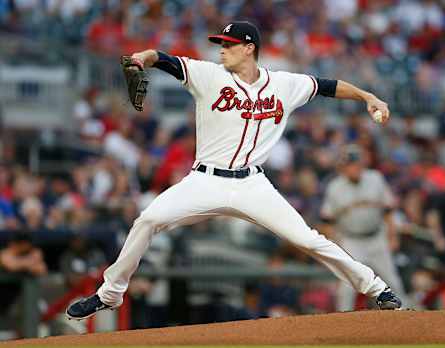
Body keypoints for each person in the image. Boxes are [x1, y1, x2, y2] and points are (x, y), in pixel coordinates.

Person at [67, 21, 401, 320]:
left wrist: (366, 96)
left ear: (249, 48)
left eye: (228, 44)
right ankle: (109, 294)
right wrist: (143, 57)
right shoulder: (208, 75)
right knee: (148, 220)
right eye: (221, 44)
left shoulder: (284, 84)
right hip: (204, 180)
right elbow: (163, 58)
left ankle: (377, 290)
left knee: (308, 239)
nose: (222, 50)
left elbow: (327, 85)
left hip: (252, 184)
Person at [320, 144, 407, 311]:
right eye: (350, 164)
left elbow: (388, 210)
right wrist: (336, 245)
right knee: (346, 288)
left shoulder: (376, 179)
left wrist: (392, 236)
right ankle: (343, 322)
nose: (355, 168)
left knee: (393, 281)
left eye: (357, 163)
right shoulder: (335, 187)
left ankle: (406, 319)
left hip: (376, 238)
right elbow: (327, 221)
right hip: (351, 241)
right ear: (343, 167)